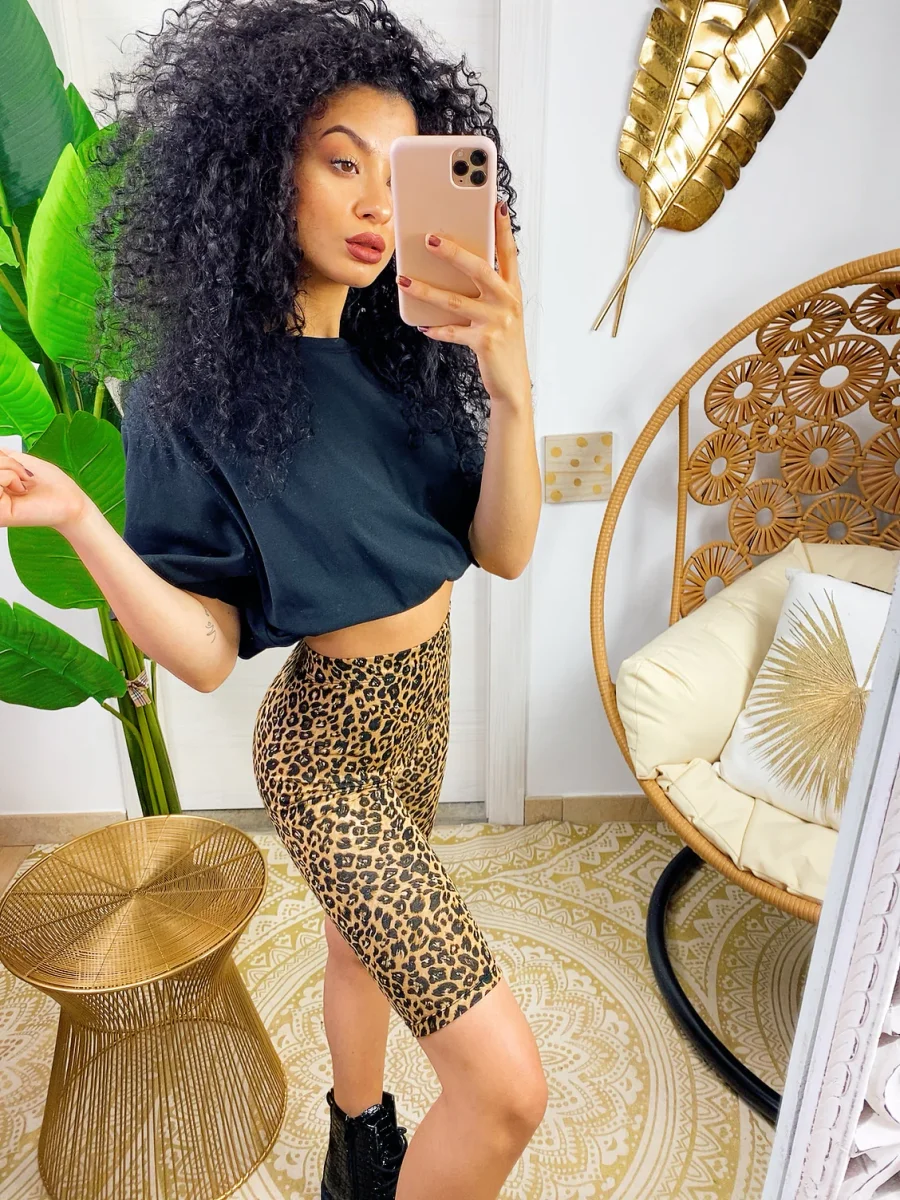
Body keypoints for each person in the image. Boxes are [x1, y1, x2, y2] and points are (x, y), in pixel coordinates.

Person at [0, 2, 544, 1197]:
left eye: (399, 175)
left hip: (422, 707)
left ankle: (359, 1139)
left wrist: (511, 389)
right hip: (327, 750)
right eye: (342, 162)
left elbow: (501, 554)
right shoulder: (189, 393)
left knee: (360, 946)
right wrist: (82, 519)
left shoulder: (408, 350)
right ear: (260, 168)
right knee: (508, 1092)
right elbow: (205, 652)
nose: (375, 205)